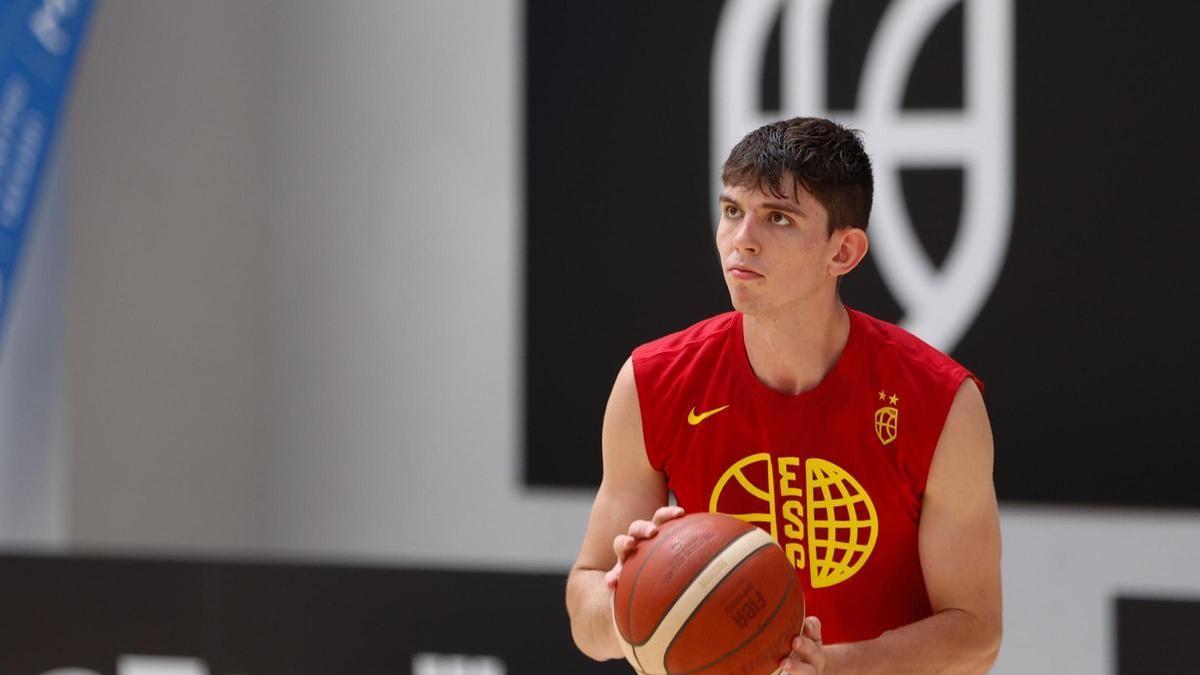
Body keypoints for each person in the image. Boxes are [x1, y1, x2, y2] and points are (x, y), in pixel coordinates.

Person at [564, 117, 1002, 674]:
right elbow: (587, 613)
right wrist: (633, 599)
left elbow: (976, 634)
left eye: (778, 218)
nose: (741, 239)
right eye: (731, 211)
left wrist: (824, 667)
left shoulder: (939, 402)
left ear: (842, 252)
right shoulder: (653, 381)